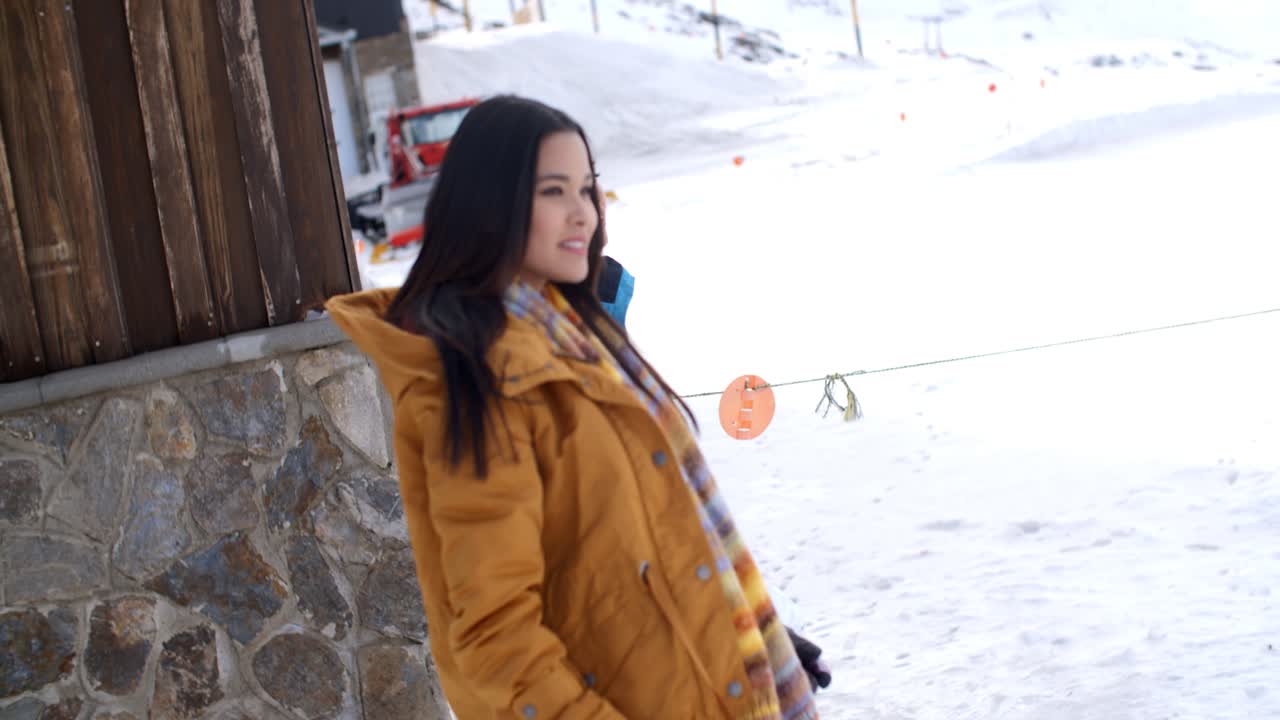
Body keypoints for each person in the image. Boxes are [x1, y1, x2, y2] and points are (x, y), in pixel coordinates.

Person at [326, 95, 821, 719]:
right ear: (490, 204)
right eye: (553, 192)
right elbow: (496, 640)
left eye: (587, 189)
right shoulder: (480, 378)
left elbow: (643, 550)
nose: (582, 213)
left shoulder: (575, 337)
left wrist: (741, 636)